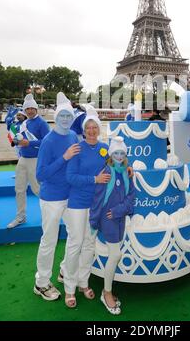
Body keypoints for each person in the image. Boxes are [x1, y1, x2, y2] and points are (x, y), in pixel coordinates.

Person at [33, 92, 80, 301]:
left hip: (70, 196)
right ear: (55, 116)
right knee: (49, 240)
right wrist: (64, 157)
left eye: (68, 116)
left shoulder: (72, 136)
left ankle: (64, 271)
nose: (65, 119)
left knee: (75, 236)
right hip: (51, 198)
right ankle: (41, 282)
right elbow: (41, 175)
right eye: (61, 115)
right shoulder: (48, 141)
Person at [62, 110, 110, 308]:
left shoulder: (105, 148)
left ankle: (83, 282)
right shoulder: (77, 149)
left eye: (94, 127)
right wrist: (94, 180)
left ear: (99, 130)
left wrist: (128, 168)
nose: (91, 131)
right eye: (88, 128)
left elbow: (115, 168)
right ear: (84, 130)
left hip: (96, 204)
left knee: (89, 243)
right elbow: (70, 177)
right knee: (75, 243)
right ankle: (69, 288)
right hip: (77, 204)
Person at [90, 136, 135, 315]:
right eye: (115, 152)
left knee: (115, 254)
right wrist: (95, 220)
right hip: (107, 218)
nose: (118, 156)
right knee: (115, 254)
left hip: (119, 217)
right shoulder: (106, 171)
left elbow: (131, 197)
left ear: (125, 155)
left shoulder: (126, 172)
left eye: (121, 153)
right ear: (110, 154)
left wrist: (119, 210)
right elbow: (98, 198)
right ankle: (106, 292)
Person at [7, 94, 50, 229]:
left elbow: (47, 142)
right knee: (19, 189)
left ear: (36, 109)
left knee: (38, 189)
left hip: (35, 160)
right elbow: (21, 138)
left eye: (32, 108)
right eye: (27, 109)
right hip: (22, 159)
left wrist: (29, 143)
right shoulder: (25, 122)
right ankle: (21, 216)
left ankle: (50, 214)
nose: (30, 111)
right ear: (24, 110)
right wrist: (16, 141)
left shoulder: (42, 123)